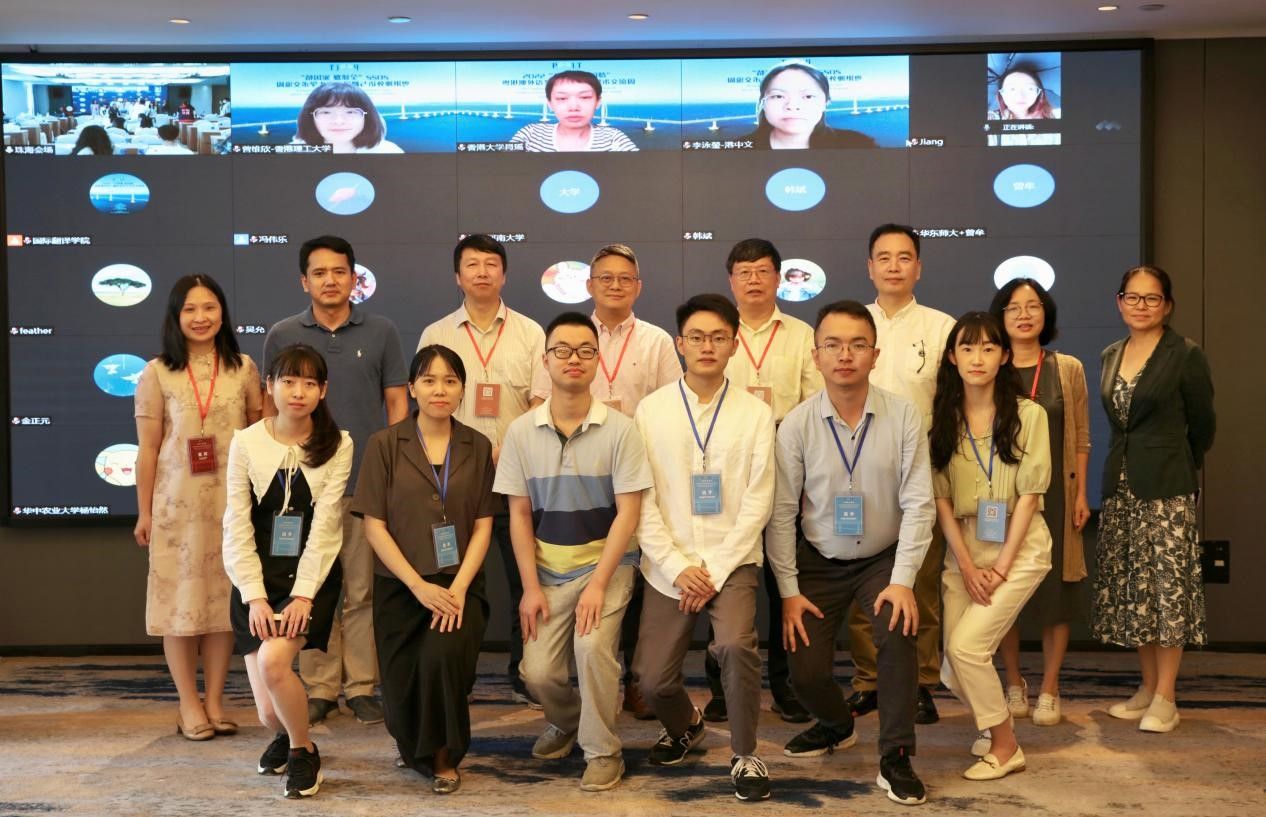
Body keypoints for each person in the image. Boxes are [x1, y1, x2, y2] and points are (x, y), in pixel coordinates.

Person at [770, 300, 933, 806]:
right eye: (833, 345)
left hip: (883, 557)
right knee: (805, 671)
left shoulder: (903, 415)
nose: (845, 355)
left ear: (875, 355)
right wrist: (789, 592)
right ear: (816, 356)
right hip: (819, 560)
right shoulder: (797, 424)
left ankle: (897, 755)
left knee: (898, 636)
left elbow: (919, 502)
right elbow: (781, 512)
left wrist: (903, 580)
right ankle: (837, 724)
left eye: (858, 345)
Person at [494, 312, 652, 792]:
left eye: (585, 350)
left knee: (592, 648)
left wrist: (598, 585)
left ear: (597, 360)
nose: (573, 359)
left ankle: (603, 751)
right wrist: (529, 588)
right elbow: (519, 515)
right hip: (548, 570)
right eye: (561, 350)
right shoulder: (521, 432)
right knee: (537, 673)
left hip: (608, 565)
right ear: (546, 361)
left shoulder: (621, 429)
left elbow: (628, 513)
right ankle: (568, 721)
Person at [528, 243, 682, 720]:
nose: (615, 285)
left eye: (625, 278)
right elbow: (539, 401)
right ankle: (575, 689)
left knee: (632, 580)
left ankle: (635, 681)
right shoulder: (568, 337)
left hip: (640, 476)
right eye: (606, 278)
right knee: (579, 584)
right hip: (577, 477)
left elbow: (672, 410)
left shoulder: (657, 341)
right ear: (589, 284)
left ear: (638, 286)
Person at [633, 294, 775, 802]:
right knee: (650, 680)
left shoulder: (756, 413)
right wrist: (676, 565)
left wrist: (713, 568)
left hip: (731, 561)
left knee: (735, 646)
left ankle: (745, 752)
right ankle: (686, 726)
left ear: (735, 344)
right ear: (680, 343)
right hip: (667, 564)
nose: (707, 346)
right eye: (697, 337)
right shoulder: (651, 411)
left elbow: (758, 500)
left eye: (718, 337)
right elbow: (641, 498)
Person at [264, 235, 410, 727]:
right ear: (304, 281)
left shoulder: (382, 330)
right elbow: (269, 410)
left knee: (362, 591)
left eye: (340, 272)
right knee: (312, 589)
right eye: (320, 273)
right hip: (302, 490)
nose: (330, 280)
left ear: (354, 278)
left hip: (365, 484)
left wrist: (392, 467)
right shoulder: (283, 334)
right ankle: (320, 686)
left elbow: (397, 404)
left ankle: (362, 686)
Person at [353, 345, 496, 794]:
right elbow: (374, 525)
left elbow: (484, 524)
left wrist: (458, 588)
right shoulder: (384, 444)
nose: (440, 390)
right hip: (401, 587)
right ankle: (414, 744)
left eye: (450, 381)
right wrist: (418, 586)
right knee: (401, 684)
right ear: (412, 388)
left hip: (458, 586)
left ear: (462, 390)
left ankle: (443, 757)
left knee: (440, 662)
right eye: (429, 380)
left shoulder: (478, 445)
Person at [134, 274, 264, 741]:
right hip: (177, 508)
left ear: (222, 313)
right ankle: (188, 702)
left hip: (232, 505)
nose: (201, 317)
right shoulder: (157, 372)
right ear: (176, 316)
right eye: (190, 309)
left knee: (222, 605)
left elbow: (260, 437)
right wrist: (145, 512)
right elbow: (148, 448)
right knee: (180, 606)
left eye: (209, 307)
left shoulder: (243, 368)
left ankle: (215, 701)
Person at [418, 233, 546, 708]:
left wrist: (511, 447)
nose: (482, 272)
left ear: (504, 274)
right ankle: (457, 669)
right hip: (455, 476)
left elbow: (540, 401)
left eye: (491, 264)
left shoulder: (531, 333)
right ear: (458, 276)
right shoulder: (436, 334)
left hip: (518, 475)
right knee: (456, 575)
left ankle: (526, 671)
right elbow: (427, 406)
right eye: (472, 264)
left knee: (525, 575)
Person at [222, 344, 354, 799]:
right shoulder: (245, 442)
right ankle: (286, 734)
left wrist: (303, 596)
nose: (298, 392)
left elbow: (326, 528)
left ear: (323, 390)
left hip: (309, 578)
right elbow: (236, 524)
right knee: (267, 713)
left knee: (275, 663)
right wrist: (255, 597)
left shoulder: (338, 443)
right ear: (270, 386)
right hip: (256, 580)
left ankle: (304, 752)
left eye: (309, 383)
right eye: (289, 381)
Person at [1093, 265, 1215, 733]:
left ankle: (1167, 697)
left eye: (1151, 298)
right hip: (1121, 488)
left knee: (1168, 591)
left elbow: (1203, 426)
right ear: (1119, 302)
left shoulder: (1185, 355)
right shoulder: (1110, 354)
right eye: (1132, 296)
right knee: (1135, 591)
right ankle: (1146, 688)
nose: (1140, 305)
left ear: (1167, 306)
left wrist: (1180, 465)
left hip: (1167, 488)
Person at [705, 237, 822, 725]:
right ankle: (720, 687)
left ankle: (786, 686)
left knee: (783, 583)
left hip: (787, 473)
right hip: (726, 476)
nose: (753, 280)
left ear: (778, 278)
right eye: (744, 272)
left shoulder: (801, 335)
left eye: (762, 271)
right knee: (722, 578)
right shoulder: (714, 333)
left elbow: (815, 406)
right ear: (731, 280)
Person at [931, 311, 1052, 781]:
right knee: (952, 666)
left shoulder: (1028, 415)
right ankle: (994, 719)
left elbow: (1030, 496)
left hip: (1018, 548)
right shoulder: (942, 419)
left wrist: (1000, 567)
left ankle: (1005, 745)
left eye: (988, 348)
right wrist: (966, 564)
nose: (977, 358)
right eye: (967, 348)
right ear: (952, 357)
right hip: (964, 546)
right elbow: (942, 499)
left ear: (1004, 356)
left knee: (967, 649)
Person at [847, 223, 956, 726]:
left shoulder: (940, 328)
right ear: (870, 267)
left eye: (904, 257)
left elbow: (952, 403)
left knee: (921, 581)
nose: (894, 266)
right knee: (860, 579)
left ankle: (920, 682)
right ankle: (868, 681)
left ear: (919, 267)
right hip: (854, 471)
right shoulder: (852, 323)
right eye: (884, 258)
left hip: (920, 470)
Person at [988, 278, 1091, 727]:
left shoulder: (1066, 368)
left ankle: (1050, 687)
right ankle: (1013, 682)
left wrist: (1081, 492)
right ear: (1001, 316)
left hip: (1055, 494)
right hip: (1001, 495)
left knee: (1056, 595)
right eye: (1013, 307)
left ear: (1045, 314)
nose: (1024, 314)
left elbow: (1081, 436)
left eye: (1032, 306)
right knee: (1002, 590)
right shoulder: (990, 365)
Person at [741, 61, 876, 150]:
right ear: (763, 103)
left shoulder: (860, 144)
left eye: (808, 96)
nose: (792, 106)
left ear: (826, 103)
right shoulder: (737, 147)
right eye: (778, 96)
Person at [510, 70, 638, 152]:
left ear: (598, 102)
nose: (573, 107)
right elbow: (503, 167)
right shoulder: (531, 134)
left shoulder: (613, 138)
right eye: (562, 98)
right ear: (550, 104)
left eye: (585, 97)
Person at [295, 81, 403, 154]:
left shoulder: (389, 151)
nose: (338, 121)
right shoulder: (294, 152)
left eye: (350, 112)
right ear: (310, 117)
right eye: (326, 112)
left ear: (367, 117)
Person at [989, 65, 1060, 121]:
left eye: (1030, 89)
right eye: (1012, 89)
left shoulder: (1050, 117)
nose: (1020, 96)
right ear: (1001, 94)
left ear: (1038, 94)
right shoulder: (991, 118)